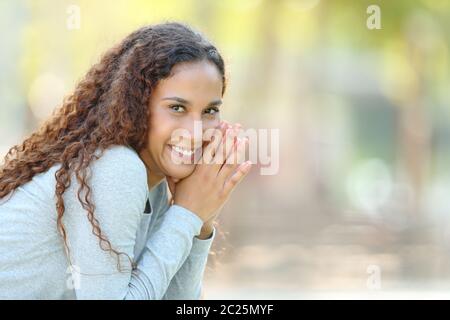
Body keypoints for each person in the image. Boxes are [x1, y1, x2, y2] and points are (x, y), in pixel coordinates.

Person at [0, 22, 252, 299]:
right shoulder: (116, 167)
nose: (195, 132)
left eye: (210, 111)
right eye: (177, 108)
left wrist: (200, 223)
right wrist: (186, 214)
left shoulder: (153, 183)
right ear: (137, 104)